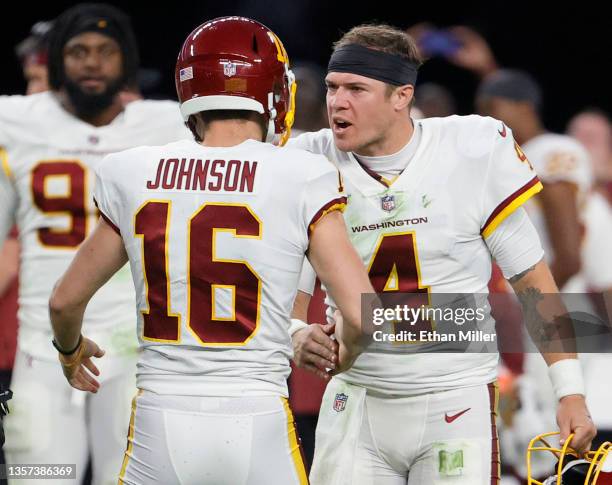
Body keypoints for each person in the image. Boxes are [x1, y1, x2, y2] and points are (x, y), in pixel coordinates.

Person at [48, 16, 374, 485]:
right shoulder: (302, 174)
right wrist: (346, 355)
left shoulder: (133, 171)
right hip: (258, 415)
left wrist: (70, 349)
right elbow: (362, 316)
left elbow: (64, 301)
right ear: (272, 94)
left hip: (161, 416)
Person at [286, 24, 596, 484]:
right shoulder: (307, 160)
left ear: (401, 96)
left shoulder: (470, 149)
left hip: (455, 399)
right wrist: (295, 331)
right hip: (357, 398)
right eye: (333, 88)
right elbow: (289, 287)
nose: (337, 102)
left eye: (356, 88)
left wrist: (569, 391)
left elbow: (532, 281)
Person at [0, 4, 191, 484]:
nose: (92, 62)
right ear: (56, 61)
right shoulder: (16, 120)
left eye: (106, 51)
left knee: (122, 479)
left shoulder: (168, 124)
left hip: (137, 350)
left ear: (126, 61)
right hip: (40, 350)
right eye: (78, 51)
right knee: (41, 477)